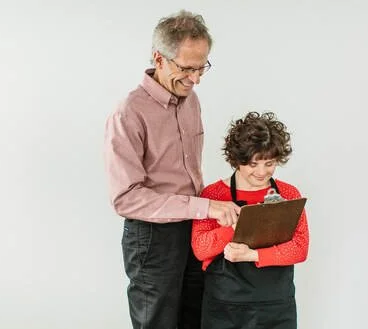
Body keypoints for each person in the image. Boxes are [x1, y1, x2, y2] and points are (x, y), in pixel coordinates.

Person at [104, 10, 240, 329]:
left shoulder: (191, 101)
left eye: (202, 67)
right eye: (187, 68)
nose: (195, 79)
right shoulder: (129, 114)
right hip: (152, 238)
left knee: (196, 317)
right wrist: (204, 207)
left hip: (194, 228)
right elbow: (125, 198)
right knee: (159, 323)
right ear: (159, 58)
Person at [191, 111, 310, 329]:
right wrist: (233, 227)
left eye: (270, 163)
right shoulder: (214, 195)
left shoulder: (288, 194)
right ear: (237, 160)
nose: (262, 172)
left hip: (276, 308)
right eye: (254, 164)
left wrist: (252, 255)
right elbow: (200, 249)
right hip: (224, 308)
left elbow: (299, 248)